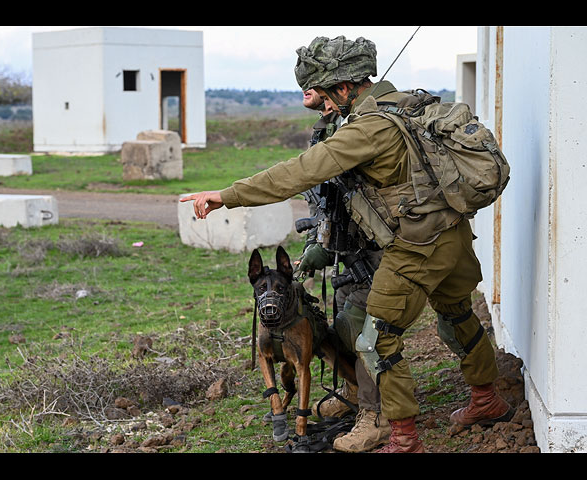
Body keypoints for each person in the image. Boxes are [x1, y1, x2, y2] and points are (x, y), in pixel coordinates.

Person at [181, 35, 514, 453]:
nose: (322, 106)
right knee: (457, 314)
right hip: (451, 232)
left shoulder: (367, 129)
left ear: (342, 87)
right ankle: (487, 399)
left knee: (378, 338)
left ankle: (403, 438)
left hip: (416, 245)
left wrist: (224, 196)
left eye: (322, 95)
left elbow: (299, 172)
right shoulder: (405, 103)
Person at [295, 86, 390, 452]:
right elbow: (330, 201)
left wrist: (321, 246)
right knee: (342, 319)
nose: (316, 101)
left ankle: (375, 414)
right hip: (353, 252)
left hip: (382, 251)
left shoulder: (366, 128)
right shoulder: (331, 128)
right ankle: (354, 389)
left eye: (317, 91)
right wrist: (320, 243)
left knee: (366, 332)